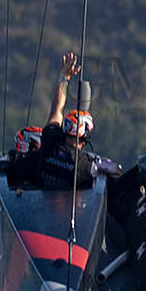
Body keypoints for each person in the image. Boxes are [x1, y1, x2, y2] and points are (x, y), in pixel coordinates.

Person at [35, 51, 121, 190]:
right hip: (74, 211)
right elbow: (116, 171)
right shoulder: (84, 165)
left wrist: (64, 78)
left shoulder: (49, 141)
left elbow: (56, 110)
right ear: (86, 137)